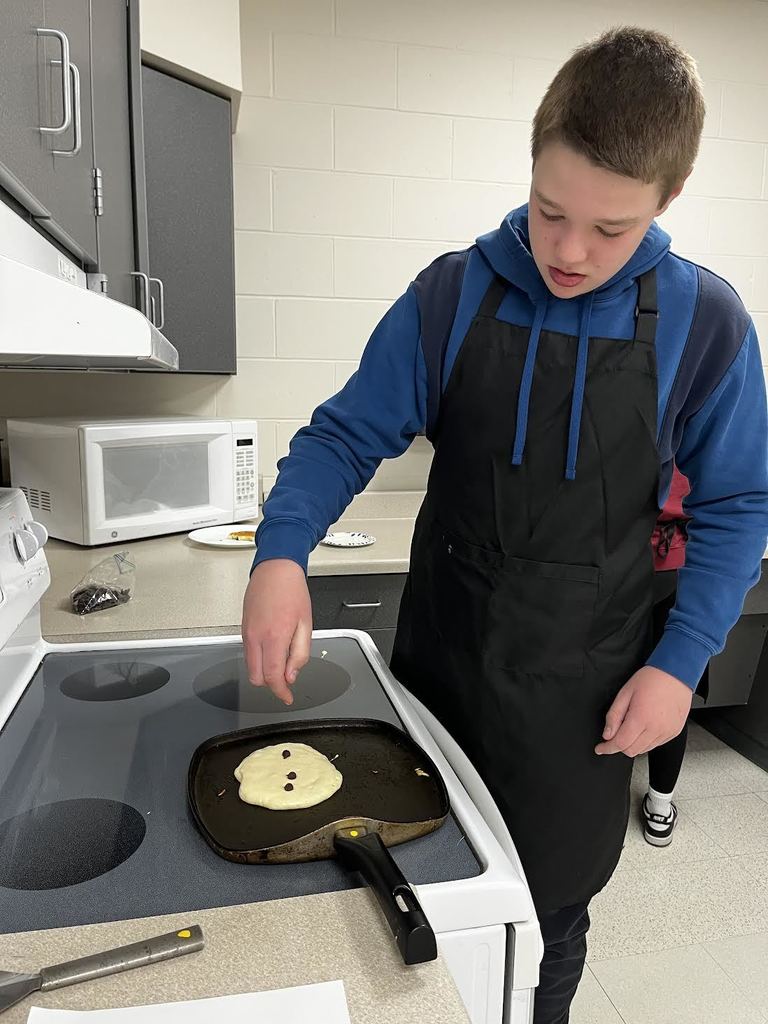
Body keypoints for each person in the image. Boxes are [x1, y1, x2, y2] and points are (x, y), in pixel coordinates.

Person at [241, 26, 768, 1024]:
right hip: (442, 672)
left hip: (588, 701)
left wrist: (681, 662)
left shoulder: (707, 325)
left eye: (609, 229)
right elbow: (344, 436)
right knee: (417, 897)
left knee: (549, 922)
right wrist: (280, 554)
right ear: (531, 164)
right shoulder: (454, 294)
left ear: (669, 198)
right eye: (550, 210)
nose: (568, 251)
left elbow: (738, 504)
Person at [643, 466, 705, 847]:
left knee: (604, 682)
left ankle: (600, 798)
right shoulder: (698, 437)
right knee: (669, 685)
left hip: (617, 566)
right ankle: (659, 808)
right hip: (677, 564)